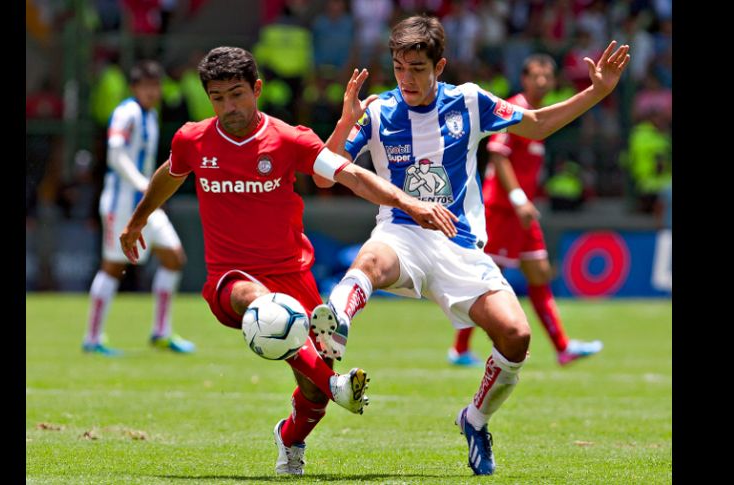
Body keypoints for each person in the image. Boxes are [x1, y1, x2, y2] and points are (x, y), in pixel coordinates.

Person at [309, 16, 629, 475]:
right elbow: (325, 170)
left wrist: (598, 91)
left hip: (458, 244)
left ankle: (475, 420)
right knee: (372, 258)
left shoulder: (470, 102)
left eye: (417, 67)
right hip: (402, 231)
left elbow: (536, 125)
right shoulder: (378, 111)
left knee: (516, 337)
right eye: (399, 67)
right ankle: (336, 320)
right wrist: (343, 124)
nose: (407, 78)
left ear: (440, 65)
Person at [118, 46, 457, 476]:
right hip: (231, 278)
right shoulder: (193, 138)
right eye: (218, 97)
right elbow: (171, 172)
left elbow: (349, 174)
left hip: (292, 275)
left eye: (237, 94)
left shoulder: (288, 139)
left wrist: (407, 202)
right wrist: (137, 220)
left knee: (310, 395)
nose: (228, 107)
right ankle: (335, 386)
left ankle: (291, 437)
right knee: (260, 304)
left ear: (257, 89)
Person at [448, 54, 603, 368]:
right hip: (504, 210)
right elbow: (498, 156)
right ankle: (461, 349)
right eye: (537, 75)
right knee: (489, 282)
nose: (543, 81)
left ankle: (562, 347)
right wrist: (518, 198)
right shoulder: (513, 110)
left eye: (548, 76)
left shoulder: (539, 115)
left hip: (523, 213)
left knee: (539, 273)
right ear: (524, 78)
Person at [83, 60, 194, 356]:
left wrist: (151, 191)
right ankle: (92, 338)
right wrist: (143, 184)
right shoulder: (126, 112)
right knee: (112, 267)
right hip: (122, 203)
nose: (152, 91)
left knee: (174, 257)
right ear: (135, 88)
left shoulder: (151, 115)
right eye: (147, 86)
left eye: (156, 85)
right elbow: (115, 155)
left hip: (146, 204)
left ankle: (161, 332)